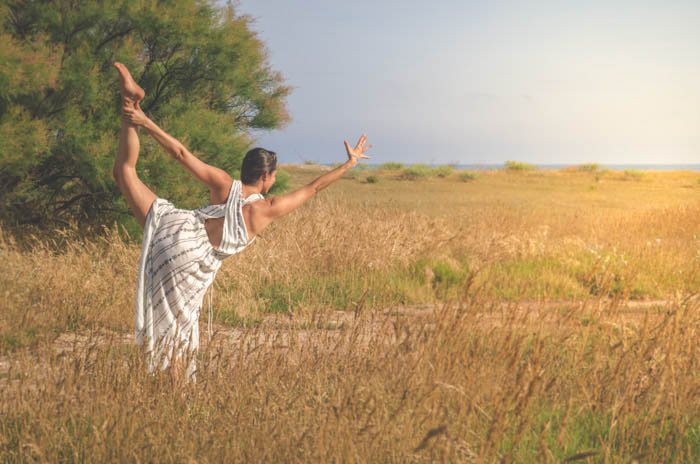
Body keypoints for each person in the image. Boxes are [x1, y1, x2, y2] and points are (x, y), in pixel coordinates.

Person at [112, 62, 372, 379]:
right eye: (273, 175)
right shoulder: (265, 209)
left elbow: (179, 153)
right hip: (190, 259)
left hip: (176, 225)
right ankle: (177, 412)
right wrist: (348, 164)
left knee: (125, 173)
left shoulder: (222, 183)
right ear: (265, 176)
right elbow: (314, 187)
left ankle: (129, 103)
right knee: (176, 337)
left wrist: (143, 120)